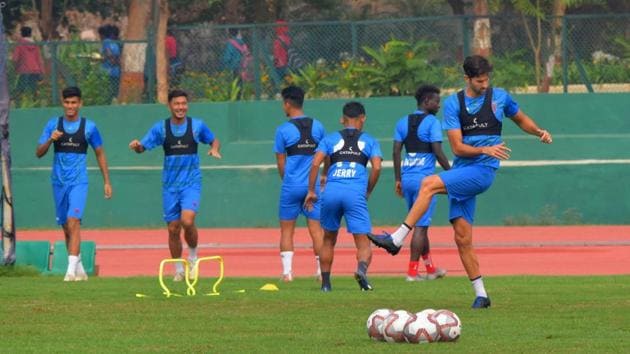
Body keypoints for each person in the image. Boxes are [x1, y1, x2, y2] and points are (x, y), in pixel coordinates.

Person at [368, 55, 553, 308]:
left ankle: (397, 239)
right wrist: (484, 149)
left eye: (487, 79)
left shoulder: (500, 97)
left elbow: (520, 119)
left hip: (482, 172)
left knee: (428, 184)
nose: (485, 84)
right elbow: (457, 148)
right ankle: (482, 295)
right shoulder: (454, 103)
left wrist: (540, 132)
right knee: (462, 237)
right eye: (479, 80)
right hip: (464, 166)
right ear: (467, 78)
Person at [129, 89, 221, 281]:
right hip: (170, 186)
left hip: (191, 183)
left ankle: (193, 258)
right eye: (177, 104)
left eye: (184, 103)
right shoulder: (160, 128)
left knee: (187, 221)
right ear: (169, 105)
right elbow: (143, 147)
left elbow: (213, 139)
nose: (181, 107)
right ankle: (179, 269)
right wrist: (137, 146)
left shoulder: (197, 126)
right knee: (173, 228)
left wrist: (214, 149)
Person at [35, 86, 112, 281]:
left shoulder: (89, 127)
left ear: (80, 104)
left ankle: (69, 271)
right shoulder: (53, 124)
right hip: (58, 182)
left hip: (79, 182)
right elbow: (39, 152)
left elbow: (100, 153)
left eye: (74, 102)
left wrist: (106, 181)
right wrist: (50, 140)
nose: (70, 106)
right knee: (66, 226)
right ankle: (79, 268)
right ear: (63, 103)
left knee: (74, 221)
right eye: (67, 102)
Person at [305, 101, 382, 292]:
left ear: (342, 120)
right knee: (362, 241)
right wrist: (369, 190)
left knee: (328, 239)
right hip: (355, 192)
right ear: (362, 118)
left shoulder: (330, 139)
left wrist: (312, 191)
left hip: (331, 191)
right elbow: (377, 167)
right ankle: (361, 271)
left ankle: (325, 284)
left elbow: (315, 163)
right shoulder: (370, 140)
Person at [393, 85, 451, 282]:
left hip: (407, 179)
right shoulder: (433, 122)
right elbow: (437, 151)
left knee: (419, 223)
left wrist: (398, 179)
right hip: (423, 180)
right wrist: (451, 174)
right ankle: (412, 272)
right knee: (420, 227)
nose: (439, 105)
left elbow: (395, 152)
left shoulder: (402, 122)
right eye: (436, 101)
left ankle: (431, 269)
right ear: (426, 101)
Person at [274, 86, 325, 282]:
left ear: (287, 103)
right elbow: (325, 154)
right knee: (316, 230)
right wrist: (324, 174)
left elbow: (281, 161)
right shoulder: (318, 127)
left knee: (287, 230)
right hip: (312, 187)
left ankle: (287, 273)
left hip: (291, 187)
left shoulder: (283, 130)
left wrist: (287, 179)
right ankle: (322, 272)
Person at [12, 26, 44, 103]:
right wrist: (41, 71)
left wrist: (15, 67)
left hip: (24, 69)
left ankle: (17, 103)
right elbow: (39, 58)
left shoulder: (20, 43)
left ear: (22, 34)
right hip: (35, 69)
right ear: (30, 34)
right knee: (33, 88)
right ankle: (35, 103)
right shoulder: (35, 44)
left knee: (20, 88)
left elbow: (15, 58)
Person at [98, 24, 121, 104]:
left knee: (105, 92)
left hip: (106, 72)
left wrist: (104, 58)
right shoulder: (116, 43)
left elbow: (108, 54)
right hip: (116, 72)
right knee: (114, 92)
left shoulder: (106, 42)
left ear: (102, 35)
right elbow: (118, 58)